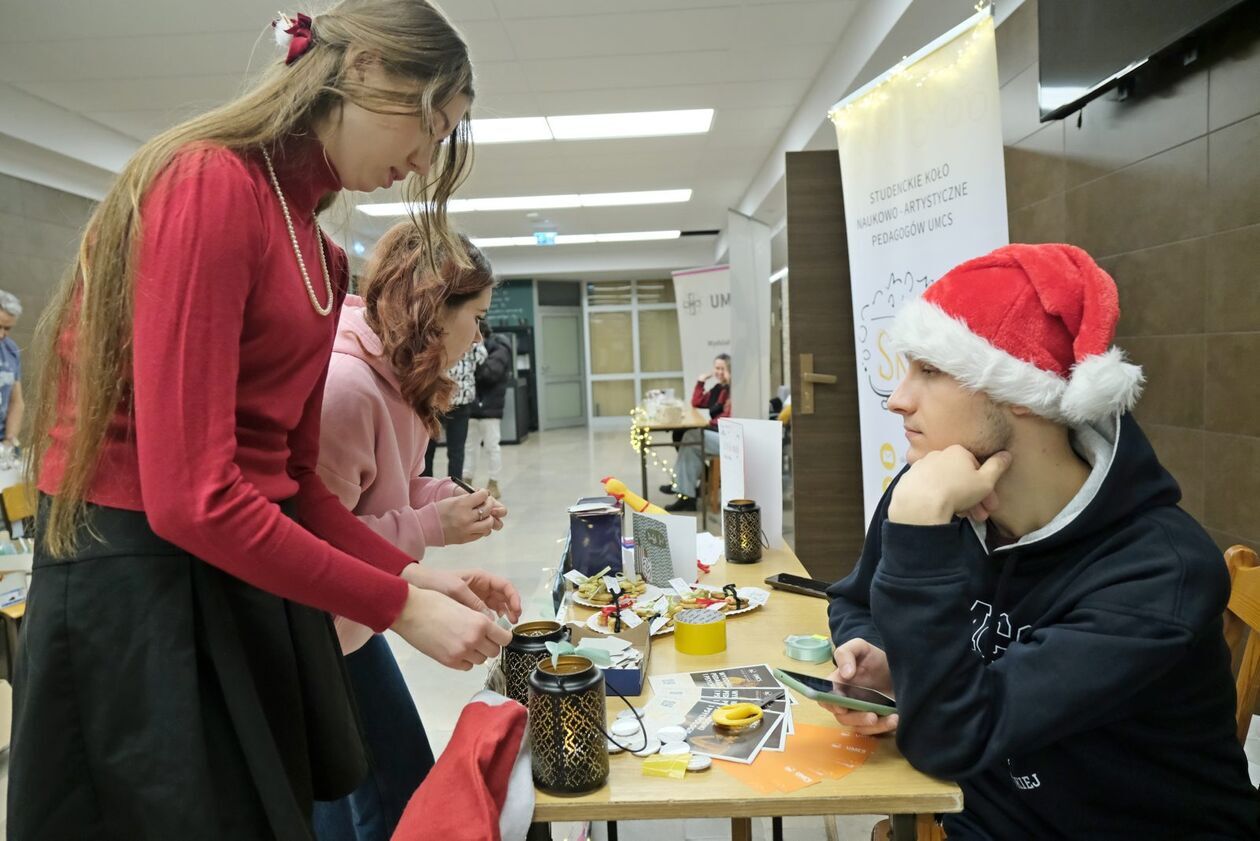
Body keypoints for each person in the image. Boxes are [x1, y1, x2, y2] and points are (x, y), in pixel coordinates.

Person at [12, 4, 514, 838]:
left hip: (235, 576)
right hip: (140, 592)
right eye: (429, 125)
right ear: (357, 73)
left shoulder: (323, 257)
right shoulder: (209, 184)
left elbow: (289, 484)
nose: (425, 160)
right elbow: (193, 497)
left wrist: (415, 576)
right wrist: (399, 608)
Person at [826, 243, 1260, 838]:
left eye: (929, 371)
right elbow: (856, 602)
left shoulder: (1157, 570)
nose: (897, 398)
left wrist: (918, 532)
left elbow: (951, 740)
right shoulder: (937, 491)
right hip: (981, 815)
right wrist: (881, 656)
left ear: (1017, 393)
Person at [315, 225, 516, 841]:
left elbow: (392, 489)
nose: (480, 336)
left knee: (392, 783)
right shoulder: (348, 390)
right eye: (476, 317)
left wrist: (444, 500)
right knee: (372, 797)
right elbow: (323, 543)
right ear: (434, 311)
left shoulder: (398, 376)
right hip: (319, 627)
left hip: (356, 620)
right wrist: (431, 525)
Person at [664, 353, 731, 512]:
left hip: (728, 438)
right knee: (685, 437)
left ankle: (683, 490)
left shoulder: (734, 390)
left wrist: (709, 423)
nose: (719, 372)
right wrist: (701, 381)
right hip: (718, 432)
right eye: (717, 368)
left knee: (690, 437)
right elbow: (697, 402)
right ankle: (685, 493)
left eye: (723, 368)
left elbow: (728, 417)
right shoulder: (718, 388)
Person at [421, 342, 484, 481]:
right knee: (445, 450)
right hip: (441, 400)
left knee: (434, 449)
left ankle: (444, 489)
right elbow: (481, 358)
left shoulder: (465, 339)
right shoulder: (470, 341)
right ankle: (446, 488)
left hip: (443, 400)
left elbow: (481, 357)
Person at [468, 320, 512, 499]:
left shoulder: (499, 349)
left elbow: (489, 374)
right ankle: (466, 480)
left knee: (492, 447)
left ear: (483, 335)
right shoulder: (480, 350)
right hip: (472, 406)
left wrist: (472, 362)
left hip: (490, 408)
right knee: (469, 447)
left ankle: (494, 482)